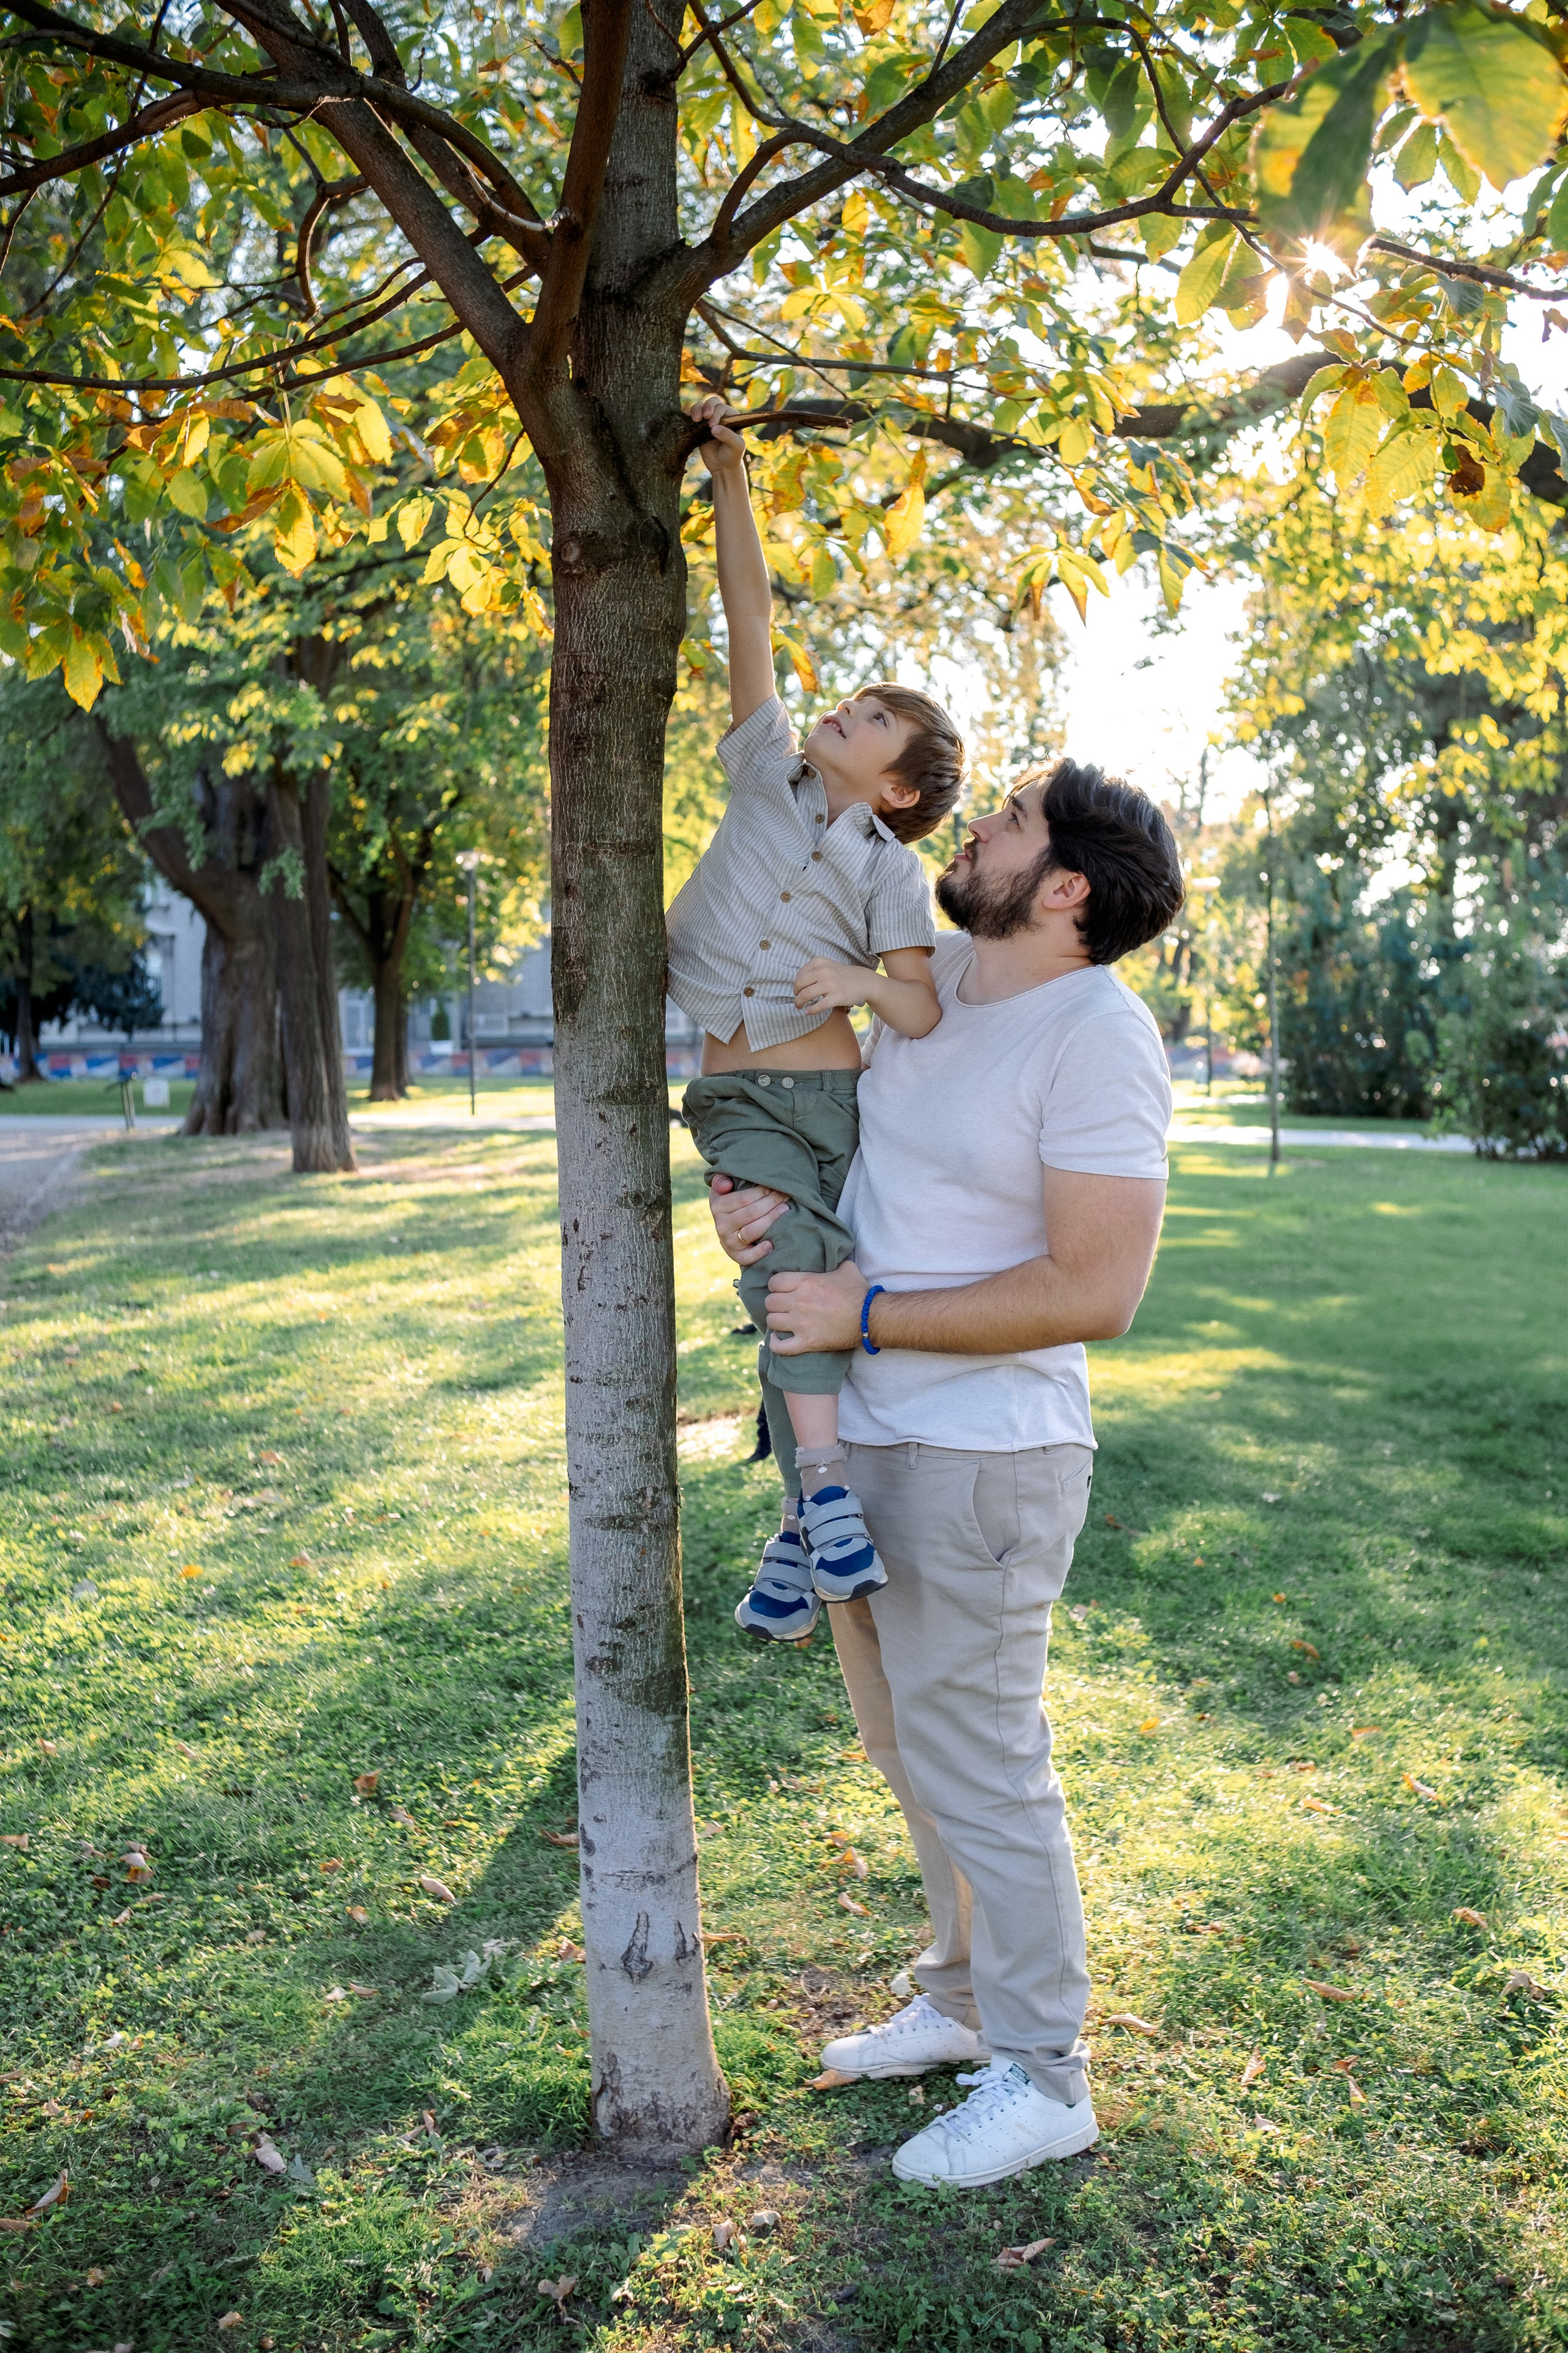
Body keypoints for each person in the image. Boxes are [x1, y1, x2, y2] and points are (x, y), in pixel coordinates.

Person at [709, 758, 1183, 2188]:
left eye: (1011, 821)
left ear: (1063, 888)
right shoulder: (938, 990)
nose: (973, 825)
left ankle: (1045, 2071)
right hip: (862, 1439)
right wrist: (766, 1210)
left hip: (986, 1458)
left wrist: (869, 1316)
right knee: (907, 1751)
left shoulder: (1094, 1035)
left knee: (984, 1764)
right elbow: (879, 1178)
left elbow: (1096, 1288)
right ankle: (964, 1996)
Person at [671, 395, 964, 1639]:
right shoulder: (762, 769)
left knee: (793, 1288)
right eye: (854, 697)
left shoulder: (888, 871)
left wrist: (854, 985)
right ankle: (814, 1506)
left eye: (876, 716)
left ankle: (812, 1510)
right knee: (786, 1285)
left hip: (819, 1097)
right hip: (730, 1097)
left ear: (896, 788)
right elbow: (750, 614)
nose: (845, 706)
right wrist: (729, 481)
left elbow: (919, 1005)